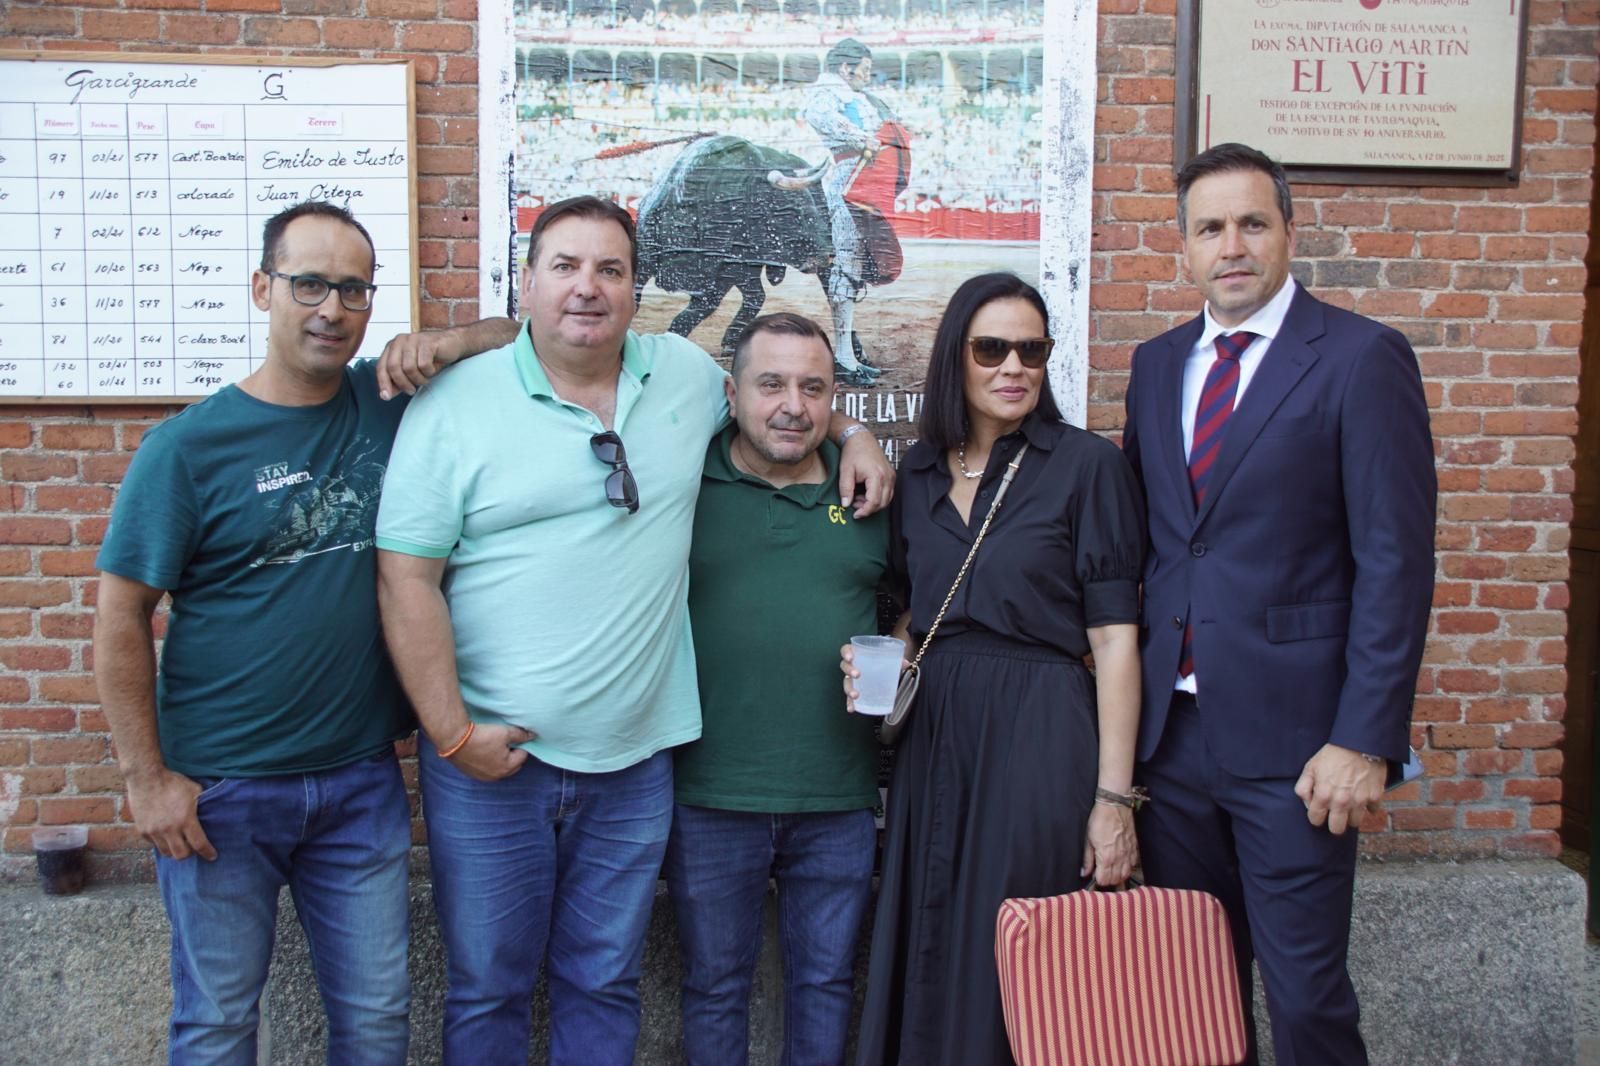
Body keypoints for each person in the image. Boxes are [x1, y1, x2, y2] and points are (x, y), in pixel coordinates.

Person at [372, 195, 893, 1066]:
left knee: (603, 983)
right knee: (488, 989)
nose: (588, 289)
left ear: (634, 288)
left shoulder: (682, 378)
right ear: (527, 283)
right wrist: (452, 733)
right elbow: (405, 578)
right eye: (566, 267)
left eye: (609, 270)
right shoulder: (458, 401)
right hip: (493, 761)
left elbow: (788, 399)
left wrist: (857, 430)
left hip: (635, 767)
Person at [91, 200, 478, 1064]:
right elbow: (120, 614)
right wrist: (146, 782)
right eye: (308, 283)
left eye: (352, 289)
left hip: (358, 785)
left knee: (377, 1022)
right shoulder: (187, 449)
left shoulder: (385, 404)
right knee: (218, 1022)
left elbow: (518, 338)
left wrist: (443, 344)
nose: (331, 309)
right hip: (222, 792)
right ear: (263, 287)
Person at [1122, 142, 1437, 1066]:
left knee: (1305, 1003)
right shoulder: (1155, 367)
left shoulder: (1359, 357)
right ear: (1182, 247)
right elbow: (1153, 539)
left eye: (1252, 223)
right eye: (1209, 227)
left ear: (1289, 233)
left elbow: (1395, 562)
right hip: (1172, 745)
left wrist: (1364, 738)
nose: (1232, 245)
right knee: (1197, 1002)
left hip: (1299, 752)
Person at [842, 272, 1146, 1065]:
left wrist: (1114, 800)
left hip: (1041, 727)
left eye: (1032, 349)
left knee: (1021, 934)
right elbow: (911, 607)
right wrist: (887, 662)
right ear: (957, 359)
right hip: (937, 730)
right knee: (932, 923)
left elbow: (1115, 642)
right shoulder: (917, 475)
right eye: (992, 348)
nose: (1014, 366)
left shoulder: (1086, 467)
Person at [668, 312, 887, 1066]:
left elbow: (917, 610)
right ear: (731, 393)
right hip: (709, 793)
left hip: (838, 798)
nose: (792, 404)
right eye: (771, 384)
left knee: (825, 984)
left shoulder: (870, 496)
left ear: (834, 397)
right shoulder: (679, 480)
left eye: (813, 387)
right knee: (714, 985)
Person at [803, 38, 893, 385]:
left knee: (854, 266)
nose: (867, 78)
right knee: (846, 265)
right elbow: (818, 115)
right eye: (865, 71)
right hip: (846, 181)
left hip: (862, 179)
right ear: (846, 67)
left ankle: (848, 355)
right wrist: (863, 139)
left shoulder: (850, 95)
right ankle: (843, 358)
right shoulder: (828, 91)